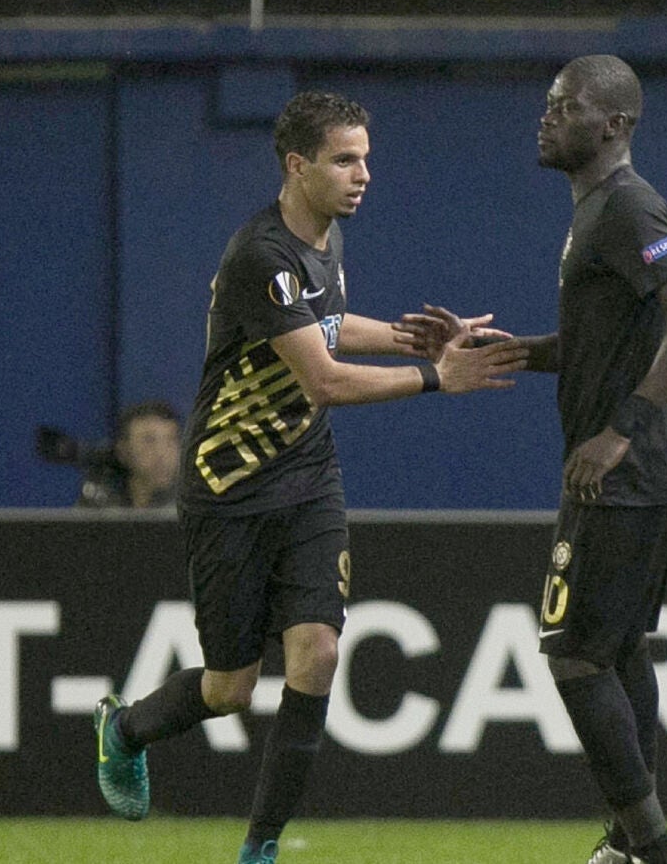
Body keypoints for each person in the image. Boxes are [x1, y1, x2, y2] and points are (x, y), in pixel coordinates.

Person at [89, 91, 531, 864]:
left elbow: (325, 323)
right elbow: (323, 377)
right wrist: (436, 375)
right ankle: (124, 728)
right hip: (231, 489)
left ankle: (259, 848)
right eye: (344, 159)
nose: (364, 174)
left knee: (318, 653)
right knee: (231, 687)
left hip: (307, 476)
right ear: (297, 166)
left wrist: (408, 335)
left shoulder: (323, 242)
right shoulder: (263, 255)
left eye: (366, 156)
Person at [405, 55, 667, 864]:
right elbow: (598, 343)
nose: (545, 117)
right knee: (616, 650)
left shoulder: (626, 208)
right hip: (642, 461)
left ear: (613, 125)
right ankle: (626, 843)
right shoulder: (597, 212)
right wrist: (498, 352)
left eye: (564, 106)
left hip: (628, 465)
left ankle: (654, 854)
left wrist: (619, 427)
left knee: (573, 652)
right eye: (546, 104)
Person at [73, 400, 183, 510]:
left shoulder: (191, 502)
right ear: (123, 451)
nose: (162, 453)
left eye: (171, 440)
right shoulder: (101, 498)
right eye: (149, 440)